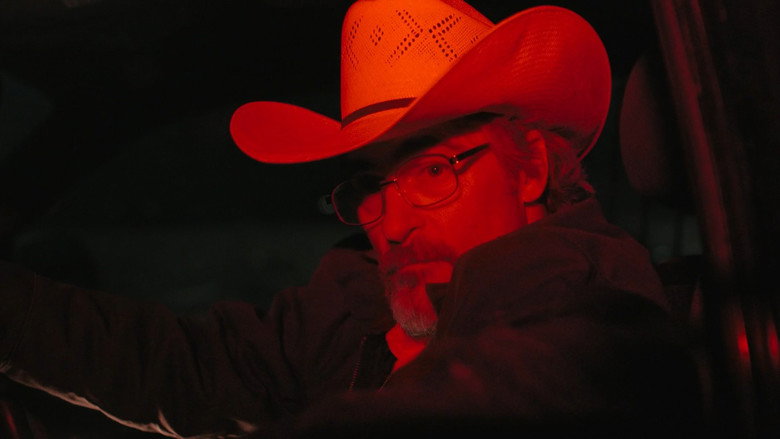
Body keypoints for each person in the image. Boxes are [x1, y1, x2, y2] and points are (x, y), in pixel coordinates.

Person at [1, 0, 703, 437]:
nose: (390, 225)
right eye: (372, 187)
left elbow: (530, 389)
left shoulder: (588, 299)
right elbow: (184, 367)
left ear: (531, 170)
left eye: (433, 170)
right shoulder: (352, 304)